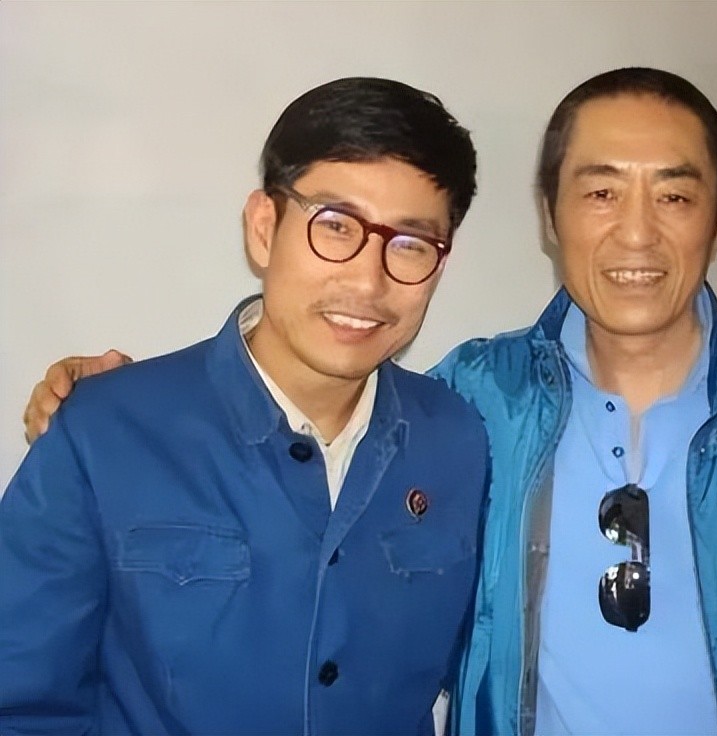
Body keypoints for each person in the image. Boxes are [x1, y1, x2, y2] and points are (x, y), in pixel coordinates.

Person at [20, 68, 717, 736]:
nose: (637, 232)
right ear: (552, 216)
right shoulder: (480, 400)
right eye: (601, 192)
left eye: (675, 195)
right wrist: (105, 405)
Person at [1, 77, 489, 735]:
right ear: (264, 228)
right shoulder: (105, 433)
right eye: (335, 226)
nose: (367, 281)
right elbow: (21, 703)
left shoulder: (458, 440)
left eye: (409, 244)